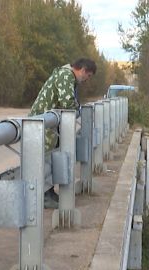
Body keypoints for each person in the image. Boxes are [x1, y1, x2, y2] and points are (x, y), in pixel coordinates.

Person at [30, 58, 96, 208]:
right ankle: (44, 195)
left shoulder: (66, 75)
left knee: (52, 154)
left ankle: (49, 191)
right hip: (43, 123)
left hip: (48, 122)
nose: (87, 80)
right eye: (88, 76)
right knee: (46, 155)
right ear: (83, 70)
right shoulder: (66, 76)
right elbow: (68, 103)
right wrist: (78, 109)